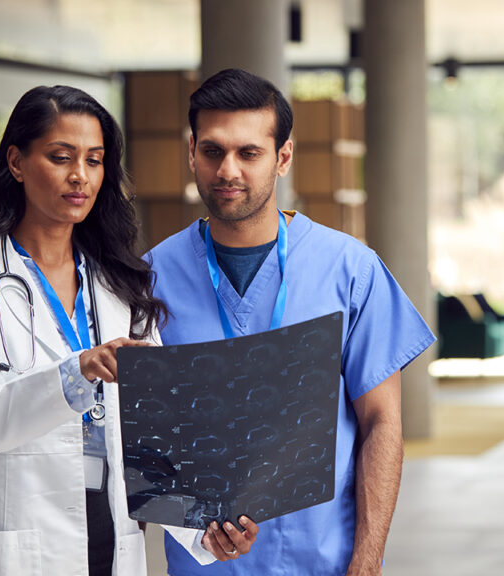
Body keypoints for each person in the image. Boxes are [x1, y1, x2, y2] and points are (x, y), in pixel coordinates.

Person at [0, 85, 239, 576]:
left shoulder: (123, 283)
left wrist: (205, 528)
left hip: (109, 536)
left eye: (94, 161)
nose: (80, 176)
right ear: (16, 161)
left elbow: (153, 432)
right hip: (16, 538)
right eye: (60, 157)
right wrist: (76, 372)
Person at [146, 68, 435, 575]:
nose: (227, 170)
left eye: (249, 153)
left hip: (322, 560)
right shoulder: (152, 278)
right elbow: (149, 440)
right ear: (191, 151)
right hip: (206, 566)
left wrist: (367, 561)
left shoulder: (349, 269)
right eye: (212, 151)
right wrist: (197, 528)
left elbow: (381, 422)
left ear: (283, 157)